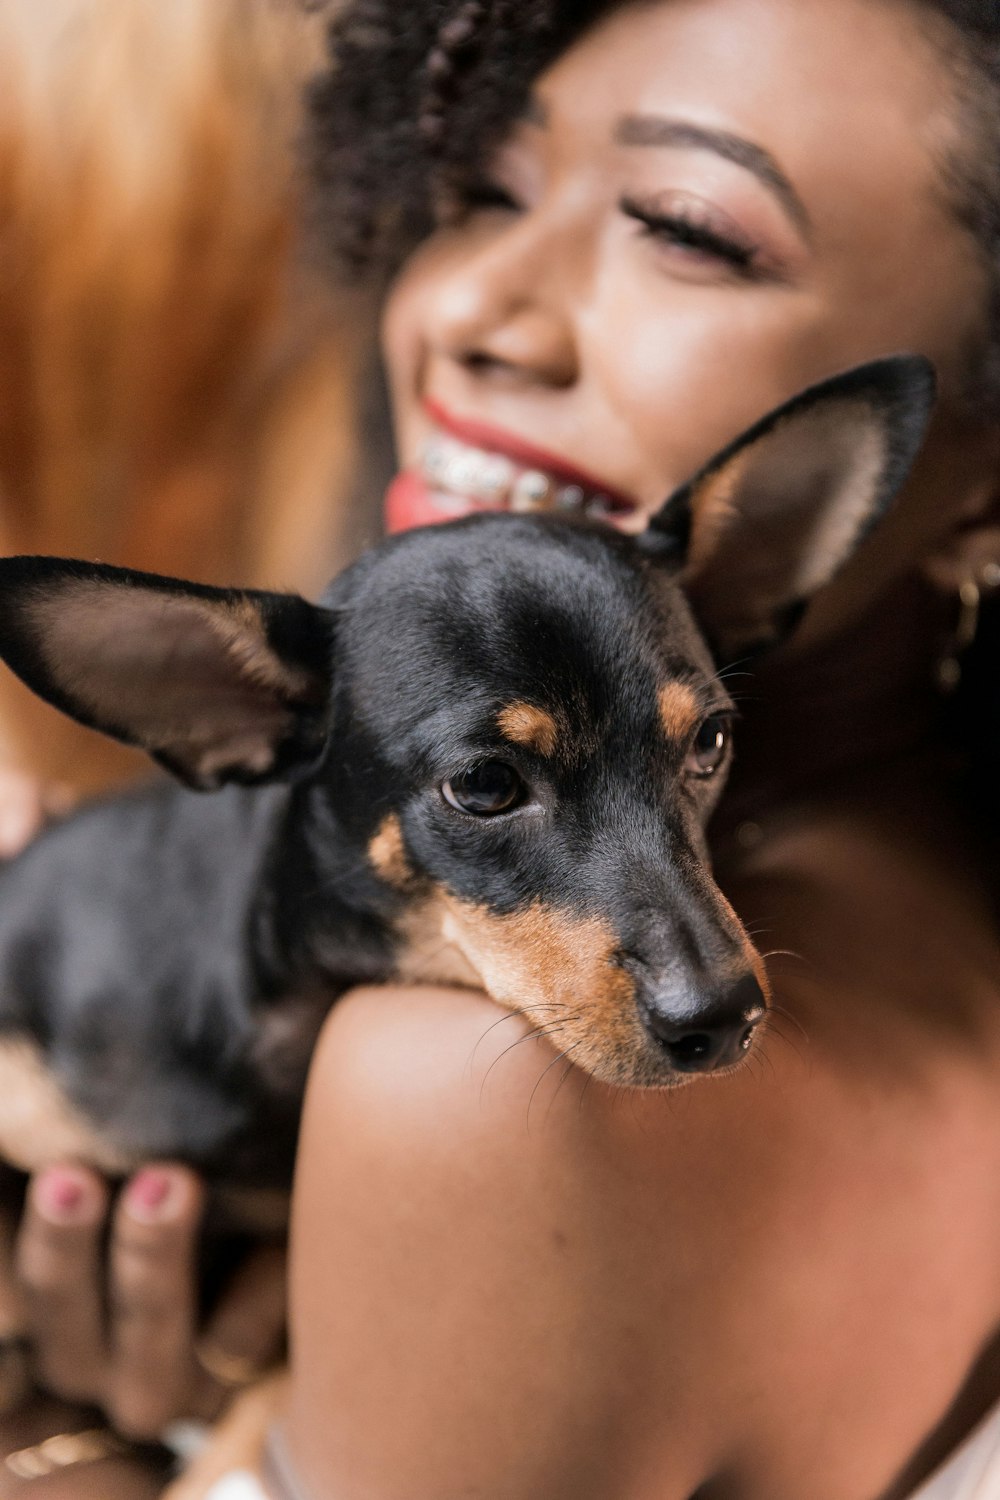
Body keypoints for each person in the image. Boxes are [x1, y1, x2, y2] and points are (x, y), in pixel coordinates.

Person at [5, 0, 1000, 1495]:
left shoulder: (480, 1094)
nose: (473, 306)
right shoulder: (953, 922)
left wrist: (61, 1444)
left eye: (686, 227)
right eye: (485, 190)